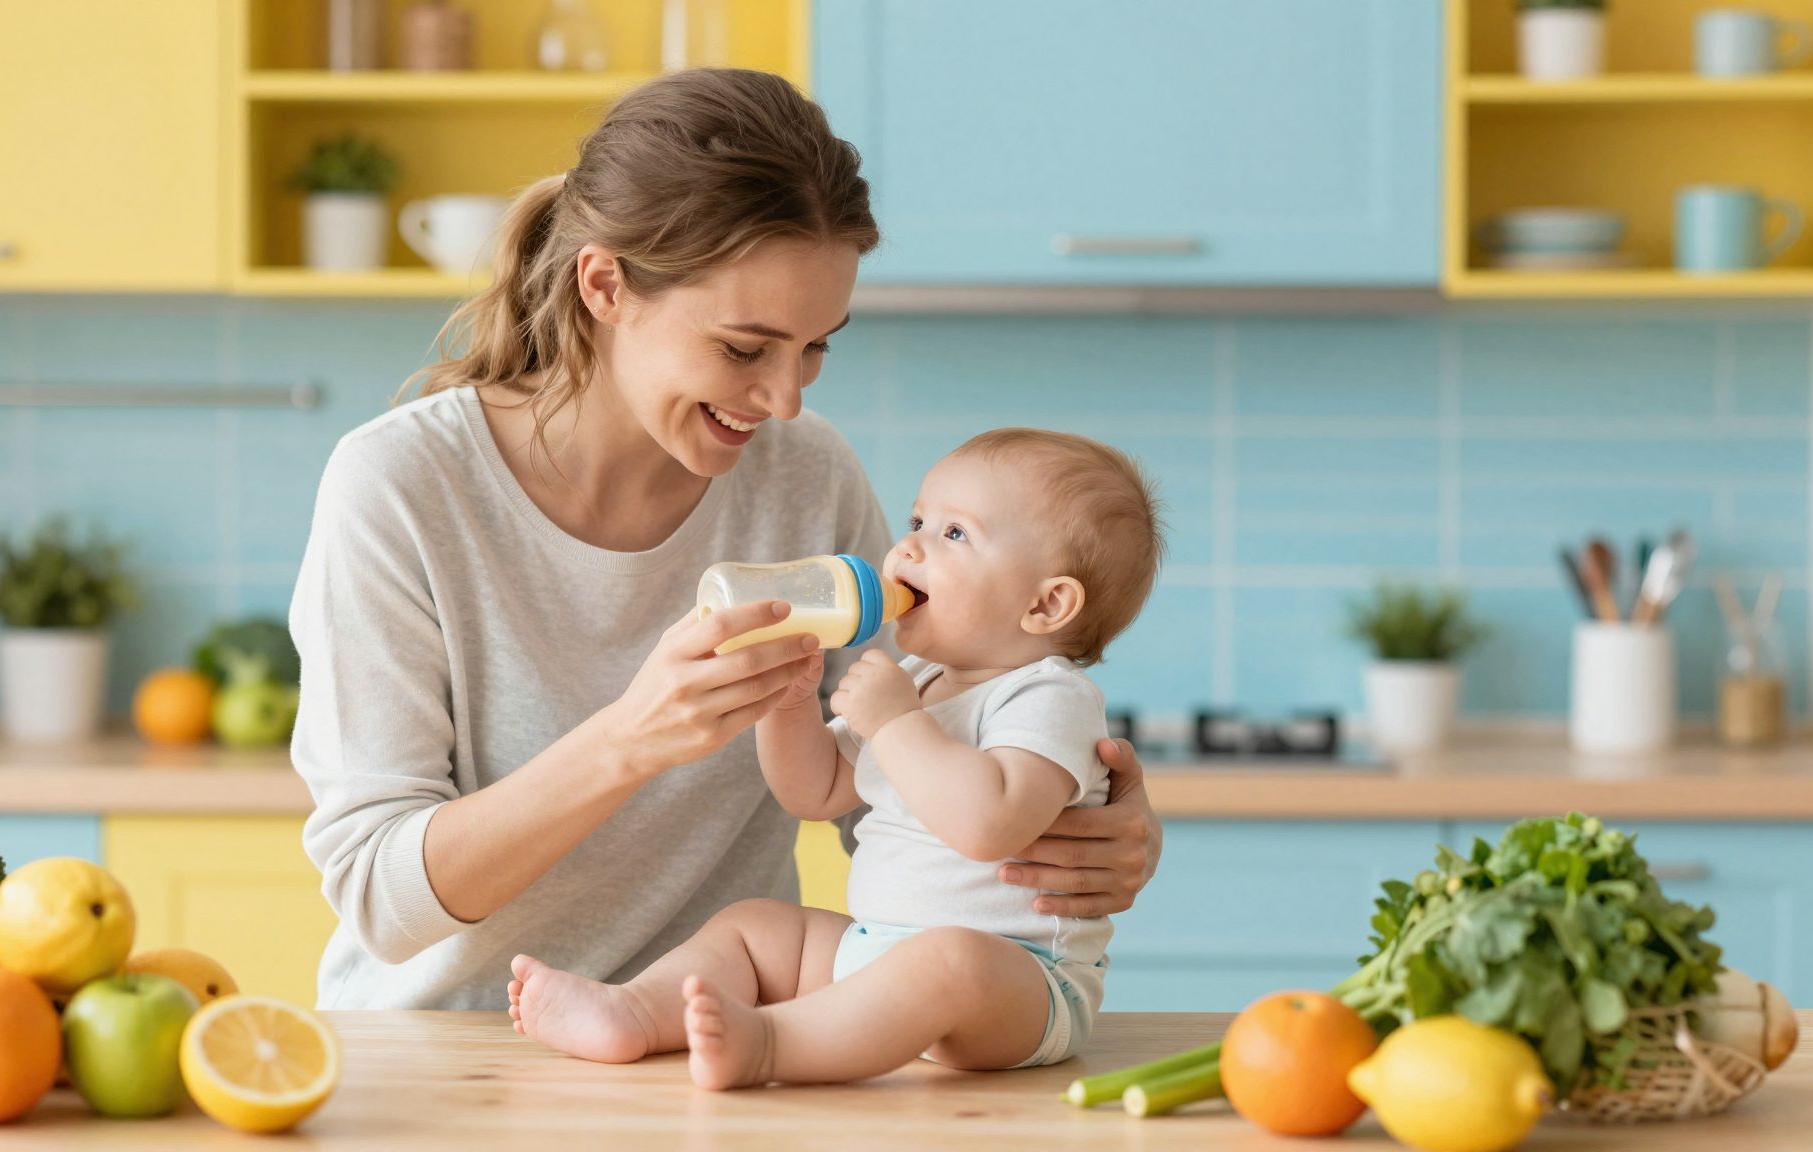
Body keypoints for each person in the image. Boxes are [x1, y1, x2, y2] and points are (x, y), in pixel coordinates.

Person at [289, 69, 1161, 1012]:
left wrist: (1069, 830)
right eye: (746, 350)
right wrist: (630, 739)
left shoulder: (805, 473)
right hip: (451, 1060)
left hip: (720, 1044)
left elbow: (882, 791)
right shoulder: (404, 487)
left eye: (817, 346)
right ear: (606, 285)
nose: (786, 400)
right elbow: (382, 898)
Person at [508, 430, 1162, 1085]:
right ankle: (635, 1014)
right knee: (754, 926)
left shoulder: (1049, 694)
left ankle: (768, 1045)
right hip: (878, 953)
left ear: (1046, 604)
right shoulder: (921, 679)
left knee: (948, 959)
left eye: (955, 534)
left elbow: (988, 825)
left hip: (1016, 982)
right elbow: (814, 791)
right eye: (917, 521)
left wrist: (896, 720)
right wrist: (790, 706)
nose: (909, 546)